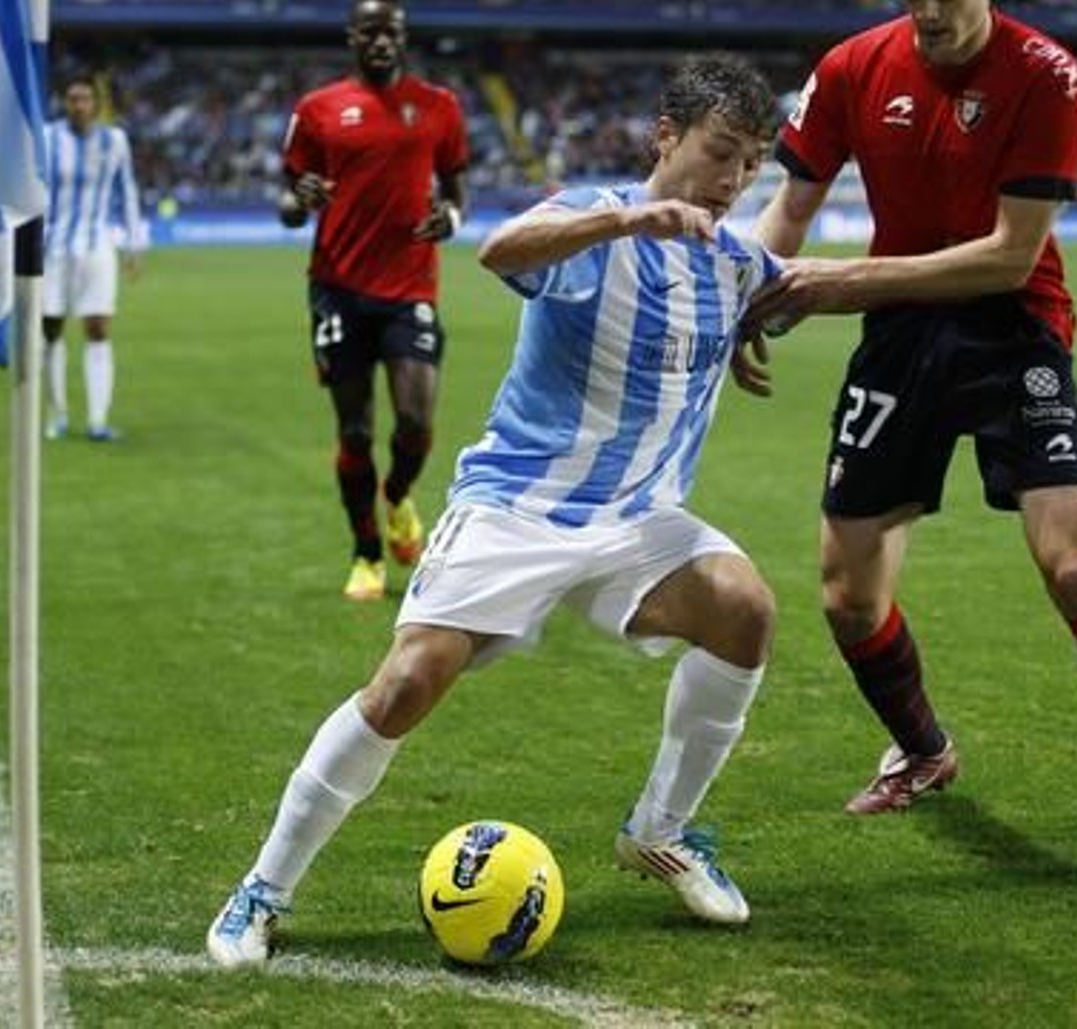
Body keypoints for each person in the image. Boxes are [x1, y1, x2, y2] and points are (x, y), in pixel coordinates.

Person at [208, 54, 783, 967]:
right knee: (404, 684)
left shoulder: (736, 260)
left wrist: (985, 265)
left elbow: (812, 285)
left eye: (754, 161)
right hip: (518, 505)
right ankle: (262, 890)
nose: (736, 177)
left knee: (744, 605)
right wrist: (630, 217)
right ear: (666, 137)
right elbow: (499, 249)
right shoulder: (590, 218)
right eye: (723, 151)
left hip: (638, 521)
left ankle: (662, 829)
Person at [740, 0, 1077, 888]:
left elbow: (1009, 256)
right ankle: (925, 751)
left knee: (1075, 568)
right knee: (846, 597)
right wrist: (739, 299)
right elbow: (787, 210)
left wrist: (843, 284)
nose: (931, 10)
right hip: (899, 343)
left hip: (1013, 332)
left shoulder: (1046, 74)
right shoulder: (850, 68)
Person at [280, 0, 470, 601]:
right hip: (336, 287)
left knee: (415, 419)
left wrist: (453, 217)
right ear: (352, 37)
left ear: (404, 37)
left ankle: (397, 496)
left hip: (410, 286)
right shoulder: (317, 110)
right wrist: (298, 199)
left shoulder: (439, 106)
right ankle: (366, 554)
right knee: (355, 430)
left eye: (392, 31)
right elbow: (290, 200)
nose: (382, 41)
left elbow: (456, 188)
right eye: (371, 31)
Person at [42, 73, 145, 442]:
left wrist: (135, 245)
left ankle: (98, 419)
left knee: (98, 328)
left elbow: (127, 190)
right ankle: (58, 415)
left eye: (85, 98)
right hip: (52, 247)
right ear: (64, 103)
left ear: (95, 104)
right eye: (73, 98)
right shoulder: (47, 138)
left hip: (98, 245)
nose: (79, 105)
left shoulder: (114, 140)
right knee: (50, 330)